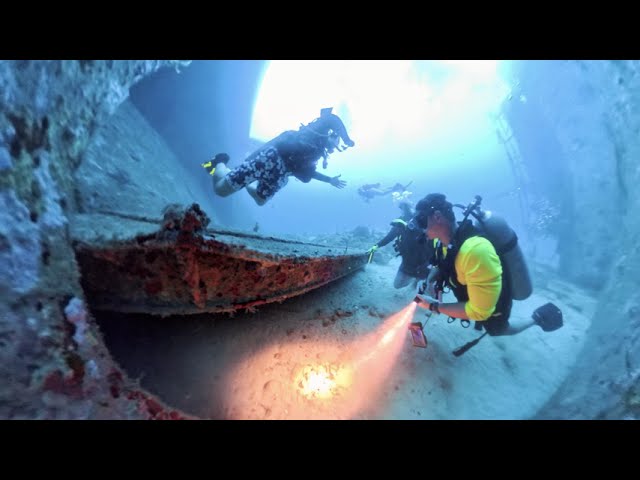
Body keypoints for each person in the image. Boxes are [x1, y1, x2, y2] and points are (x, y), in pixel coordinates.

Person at [413, 193, 562, 336]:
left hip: (494, 303)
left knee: (497, 330)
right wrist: (430, 280)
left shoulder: (476, 252)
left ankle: (535, 319)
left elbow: (479, 312)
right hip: (475, 291)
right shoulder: (442, 241)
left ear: (438, 217)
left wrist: (434, 306)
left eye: (421, 221)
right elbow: (443, 263)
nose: (420, 228)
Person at [202, 108, 354, 206]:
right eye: (337, 141)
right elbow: (332, 119)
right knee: (220, 190)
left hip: (282, 173)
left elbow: (307, 173)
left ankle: (245, 179)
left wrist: (329, 180)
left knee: (260, 200)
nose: (335, 147)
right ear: (332, 135)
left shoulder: (318, 152)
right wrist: (346, 138)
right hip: (268, 160)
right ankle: (221, 160)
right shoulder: (316, 131)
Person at [366, 201, 435, 289]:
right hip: (408, 261)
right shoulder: (400, 222)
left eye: (407, 207)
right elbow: (390, 237)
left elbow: (432, 235)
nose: (405, 210)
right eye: (403, 208)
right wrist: (376, 246)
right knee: (397, 285)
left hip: (424, 260)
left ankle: (419, 283)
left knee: (422, 286)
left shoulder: (422, 220)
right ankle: (416, 281)